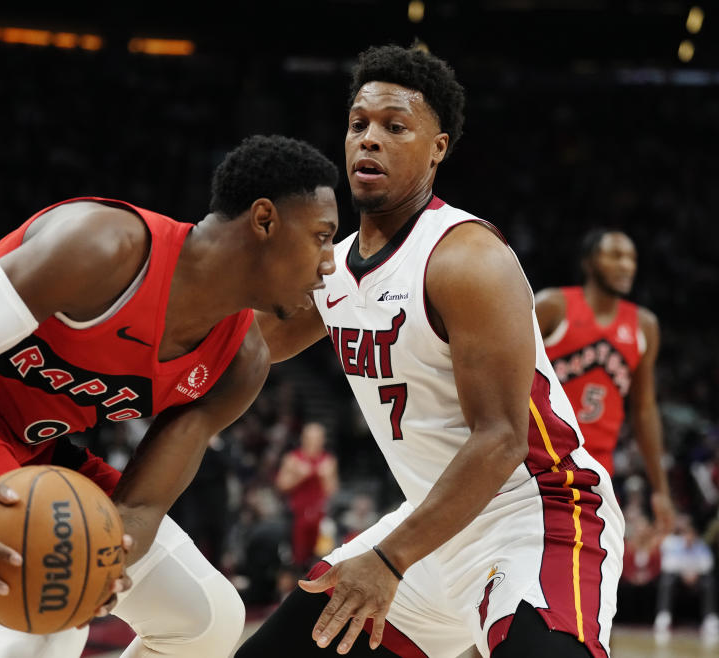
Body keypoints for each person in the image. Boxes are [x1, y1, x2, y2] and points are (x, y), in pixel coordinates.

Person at [0, 134, 340, 658]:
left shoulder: (239, 364)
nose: (328, 263)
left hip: (24, 444)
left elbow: (140, 504)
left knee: (205, 617)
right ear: (265, 219)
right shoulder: (105, 247)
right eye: (321, 236)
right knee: (42, 618)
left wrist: (105, 564)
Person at [239, 45, 624, 658]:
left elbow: (500, 439)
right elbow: (240, 350)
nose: (370, 140)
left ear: (437, 147)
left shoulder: (468, 260)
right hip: (430, 523)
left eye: (395, 127)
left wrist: (388, 560)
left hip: (536, 516)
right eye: (359, 124)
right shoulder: (328, 270)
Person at [535, 229, 675, 537]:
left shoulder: (644, 326)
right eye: (615, 255)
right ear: (589, 262)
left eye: (632, 258)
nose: (626, 265)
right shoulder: (552, 306)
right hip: (536, 462)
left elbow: (645, 410)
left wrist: (660, 489)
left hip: (596, 472)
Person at [275, 421, 339, 570]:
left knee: (321, 558)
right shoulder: (293, 459)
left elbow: (332, 491)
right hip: (297, 516)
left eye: (318, 438)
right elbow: (281, 485)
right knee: (294, 559)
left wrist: (325, 477)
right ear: (303, 439)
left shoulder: (328, 461)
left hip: (320, 517)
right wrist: (299, 476)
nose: (314, 442)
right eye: (311, 438)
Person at [653, 513, 719, 647]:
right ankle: (664, 616)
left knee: (709, 582)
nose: (689, 537)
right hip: (678, 580)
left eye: (691, 534)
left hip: (696, 581)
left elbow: (708, 565)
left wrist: (694, 572)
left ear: (695, 535)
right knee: (667, 581)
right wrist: (685, 571)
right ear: (682, 535)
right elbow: (667, 565)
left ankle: (710, 619)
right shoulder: (672, 543)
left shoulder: (701, 546)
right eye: (686, 534)